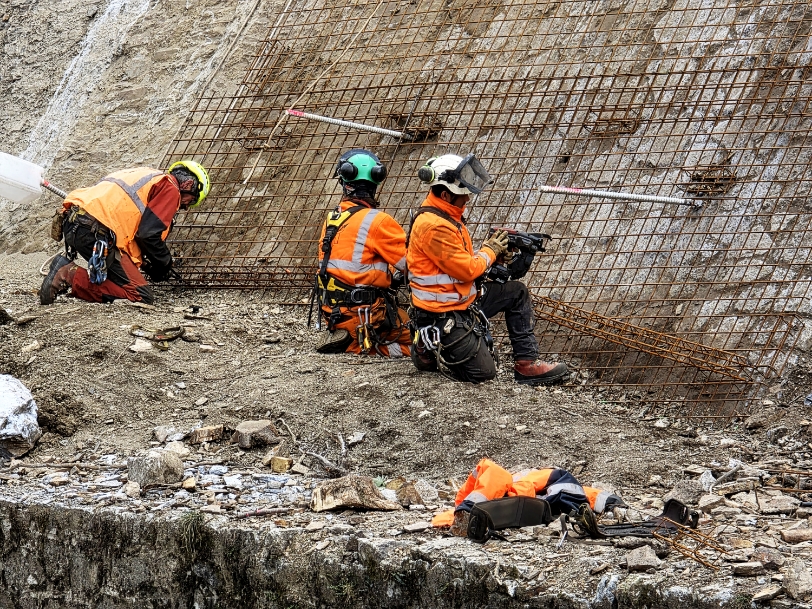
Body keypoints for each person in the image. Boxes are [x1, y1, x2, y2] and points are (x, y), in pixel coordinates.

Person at [406, 153, 568, 384]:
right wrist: (490, 251)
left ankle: (526, 365)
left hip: (460, 300)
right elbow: (467, 270)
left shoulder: (446, 217)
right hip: (442, 311)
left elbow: (458, 263)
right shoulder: (434, 226)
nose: (468, 200)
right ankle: (429, 345)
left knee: (516, 292)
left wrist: (494, 259)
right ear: (445, 194)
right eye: (464, 195)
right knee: (482, 373)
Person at [39, 161, 210, 306]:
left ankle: (66, 272)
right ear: (188, 185)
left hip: (76, 224)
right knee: (140, 295)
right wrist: (164, 264)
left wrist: (147, 265)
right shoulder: (170, 187)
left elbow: (132, 229)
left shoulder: (146, 176)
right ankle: (68, 274)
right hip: (97, 232)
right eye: (191, 201)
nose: (185, 206)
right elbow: (148, 235)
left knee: (119, 281)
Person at [312, 148, 411, 357]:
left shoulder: (333, 218)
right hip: (364, 315)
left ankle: (348, 338)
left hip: (334, 314)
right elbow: (413, 266)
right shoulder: (378, 221)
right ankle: (362, 346)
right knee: (421, 340)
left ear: (344, 181)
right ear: (376, 182)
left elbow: (356, 263)